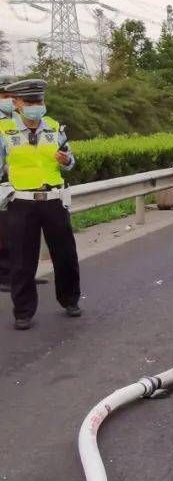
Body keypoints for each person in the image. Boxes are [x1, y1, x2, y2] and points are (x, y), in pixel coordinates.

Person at [0, 79, 81, 330]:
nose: (36, 106)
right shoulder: (3, 131)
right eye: (30, 102)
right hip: (21, 202)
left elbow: (70, 161)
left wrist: (66, 160)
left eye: (40, 101)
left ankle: (70, 300)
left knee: (66, 254)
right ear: (16, 104)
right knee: (22, 260)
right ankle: (23, 311)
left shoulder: (55, 127)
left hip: (53, 199)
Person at [0, 78, 15, 292]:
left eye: (12, 97)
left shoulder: (17, 119)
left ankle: (18, 273)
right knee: (2, 232)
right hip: (2, 182)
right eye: (4, 97)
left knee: (17, 232)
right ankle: (4, 276)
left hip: (19, 183)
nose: (9, 100)